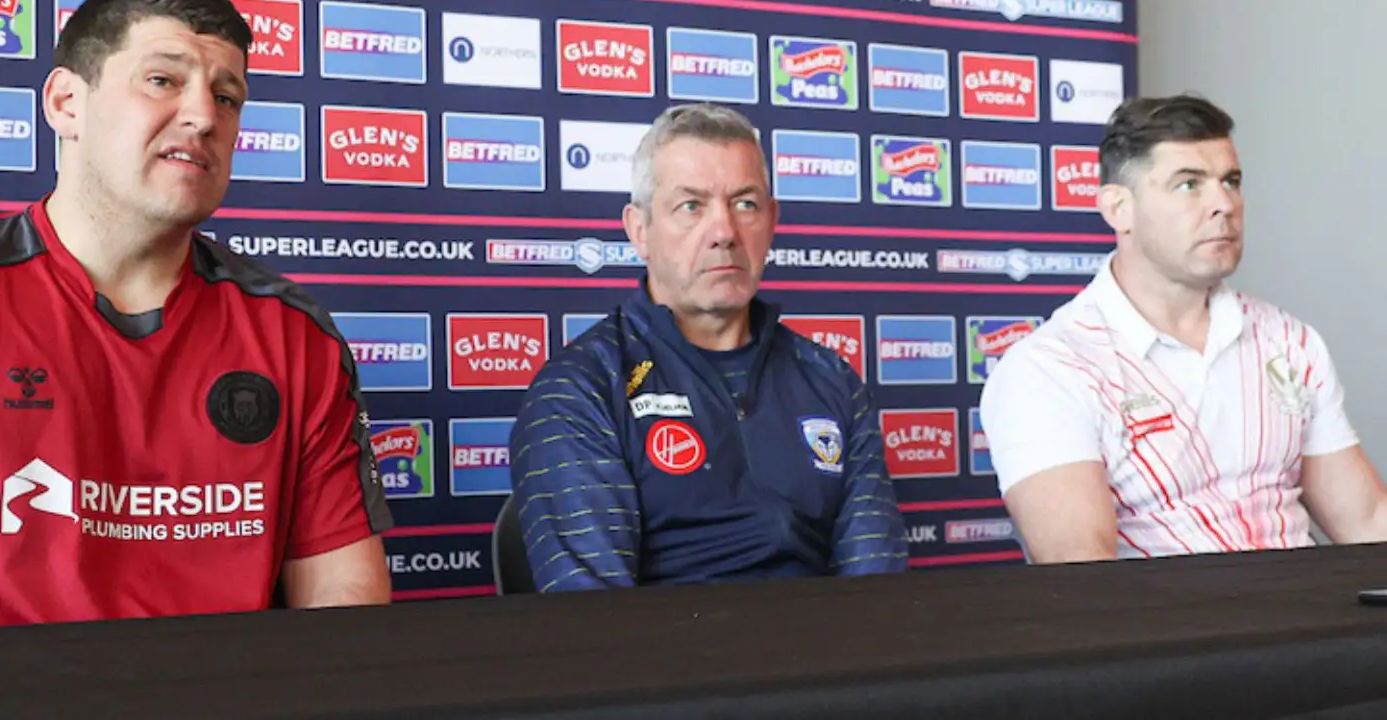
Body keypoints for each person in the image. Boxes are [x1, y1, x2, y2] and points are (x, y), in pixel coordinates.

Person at [0, 0, 394, 634]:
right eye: (163, 80)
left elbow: (347, 597)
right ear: (66, 102)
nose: (203, 116)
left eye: (228, 97)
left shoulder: (294, 334)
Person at [508, 103, 907, 592]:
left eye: (745, 204)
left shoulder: (832, 380)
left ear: (772, 219)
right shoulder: (581, 390)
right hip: (666, 664)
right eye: (691, 206)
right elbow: (596, 628)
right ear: (640, 231)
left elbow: (878, 596)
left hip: (825, 660)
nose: (724, 233)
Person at [980, 94, 1387, 563]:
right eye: (1188, 184)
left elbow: (1366, 522)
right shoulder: (1048, 370)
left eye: (1230, 181)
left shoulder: (1289, 341)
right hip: (1166, 630)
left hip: (1309, 625)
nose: (1223, 204)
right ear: (1118, 209)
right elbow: (1081, 574)